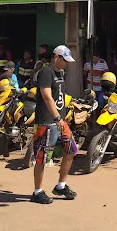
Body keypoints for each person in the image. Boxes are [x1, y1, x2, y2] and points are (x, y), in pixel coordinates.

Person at [31, 45, 78, 204]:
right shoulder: (46, 72)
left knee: (71, 150)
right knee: (42, 158)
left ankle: (61, 185)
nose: (67, 64)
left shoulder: (61, 73)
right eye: (65, 60)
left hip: (60, 120)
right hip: (46, 121)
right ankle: (37, 192)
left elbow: (59, 96)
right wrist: (57, 118)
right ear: (56, 57)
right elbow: (46, 96)